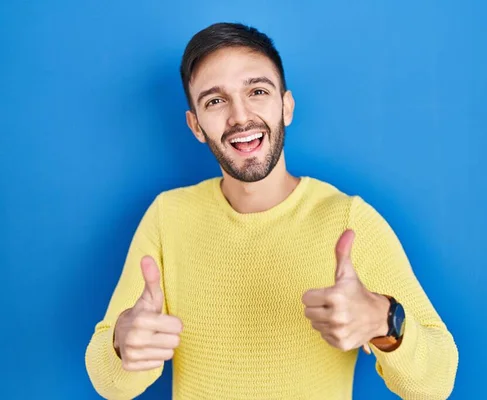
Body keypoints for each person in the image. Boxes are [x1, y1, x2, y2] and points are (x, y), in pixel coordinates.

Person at [84, 22, 459, 400]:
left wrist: (384, 321)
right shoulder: (167, 217)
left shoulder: (348, 221)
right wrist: (121, 343)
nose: (240, 117)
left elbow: (436, 385)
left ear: (287, 106)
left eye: (257, 91)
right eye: (215, 101)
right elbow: (111, 384)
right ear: (196, 125)